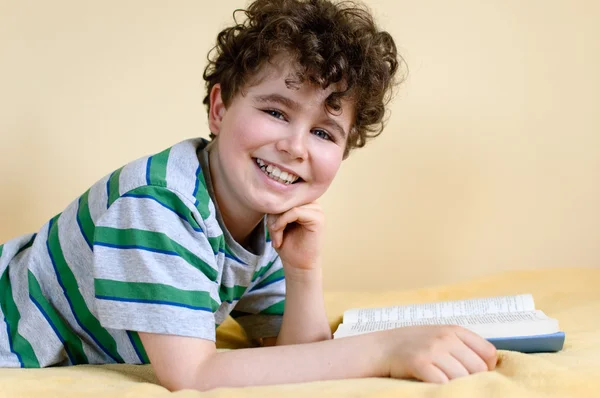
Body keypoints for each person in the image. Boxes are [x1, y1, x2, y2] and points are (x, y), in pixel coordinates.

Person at [0, 0, 497, 391]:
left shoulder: (263, 218)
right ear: (219, 108)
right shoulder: (159, 205)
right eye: (277, 112)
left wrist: (303, 272)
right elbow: (192, 377)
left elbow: (298, 355)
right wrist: (385, 351)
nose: (294, 146)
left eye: (325, 132)